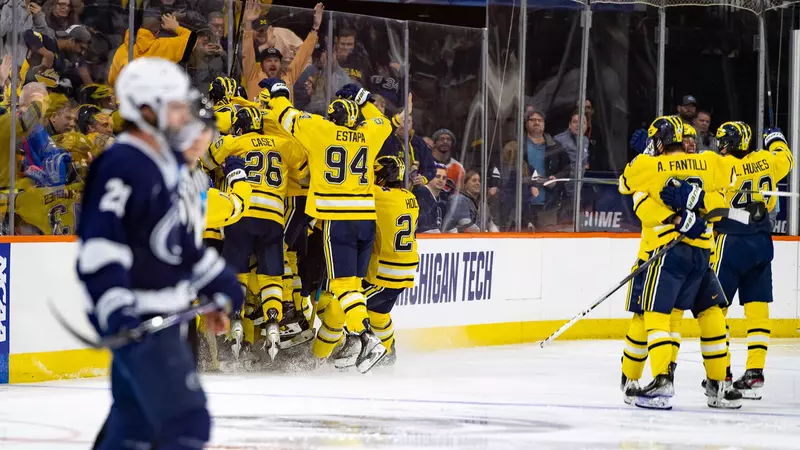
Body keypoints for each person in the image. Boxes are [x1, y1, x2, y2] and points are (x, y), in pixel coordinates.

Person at [76, 57, 243, 450]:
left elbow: (174, 243)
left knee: (131, 428)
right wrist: (116, 309)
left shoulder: (159, 165)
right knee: (186, 422)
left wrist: (220, 284)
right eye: (176, 106)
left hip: (163, 315)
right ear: (146, 109)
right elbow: (100, 244)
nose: (185, 116)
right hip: (142, 317)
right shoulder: (122, 162)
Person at [261, 78, 393, 373]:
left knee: (343, 286)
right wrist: (365, 98)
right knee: (352, 288)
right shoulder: (367, 133)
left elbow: (287, 115)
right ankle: (356, 340)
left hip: (339, 220)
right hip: (366, 220)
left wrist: (278, 92)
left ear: (332, 117)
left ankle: (367, 337)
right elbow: (382, 121)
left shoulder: (320, 130)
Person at [618, 115, 742, 410]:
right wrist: (698, 200)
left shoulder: (647, 166)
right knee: (711, 313)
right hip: (702, 253)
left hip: (663, 253)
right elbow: (729, 194)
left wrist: (644, 156)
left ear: (657, 141)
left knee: (653, 316)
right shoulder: (710, 161)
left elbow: (626, 185)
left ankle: (658, 381)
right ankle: (719, 384)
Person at [710, 122, 793, 399]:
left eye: (723, 142)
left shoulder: (721, 166)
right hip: (761, 241)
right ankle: (755, 372)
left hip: (731, 241)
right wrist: (775, 139)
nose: (719, 146)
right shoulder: (767, 160)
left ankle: (722, 370)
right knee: (757, 308)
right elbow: (787, 159)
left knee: (715, 308)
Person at [333, 155, 419, 367]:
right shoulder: (410, 197)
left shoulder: (378, 194)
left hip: (385, 272)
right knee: (379, 314)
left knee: (347, 304)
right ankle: (390, 354)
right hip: (406, 269)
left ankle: (359, 344)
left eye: (375, 172)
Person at [242, 1, 322, 103]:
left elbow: (303, 55)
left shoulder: (288, 78)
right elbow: (247, 53)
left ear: (280, 63)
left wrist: (315, 28)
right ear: (261, 64)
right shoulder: (253, 76)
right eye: (268, 60)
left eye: (276, 60)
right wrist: (248, 24)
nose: (273, 64)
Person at [415, 163, 447, 233]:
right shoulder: (422, 193)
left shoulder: (443, 198)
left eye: (444, 178)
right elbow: (428, 230)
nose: (441, 180)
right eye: (437, 176)